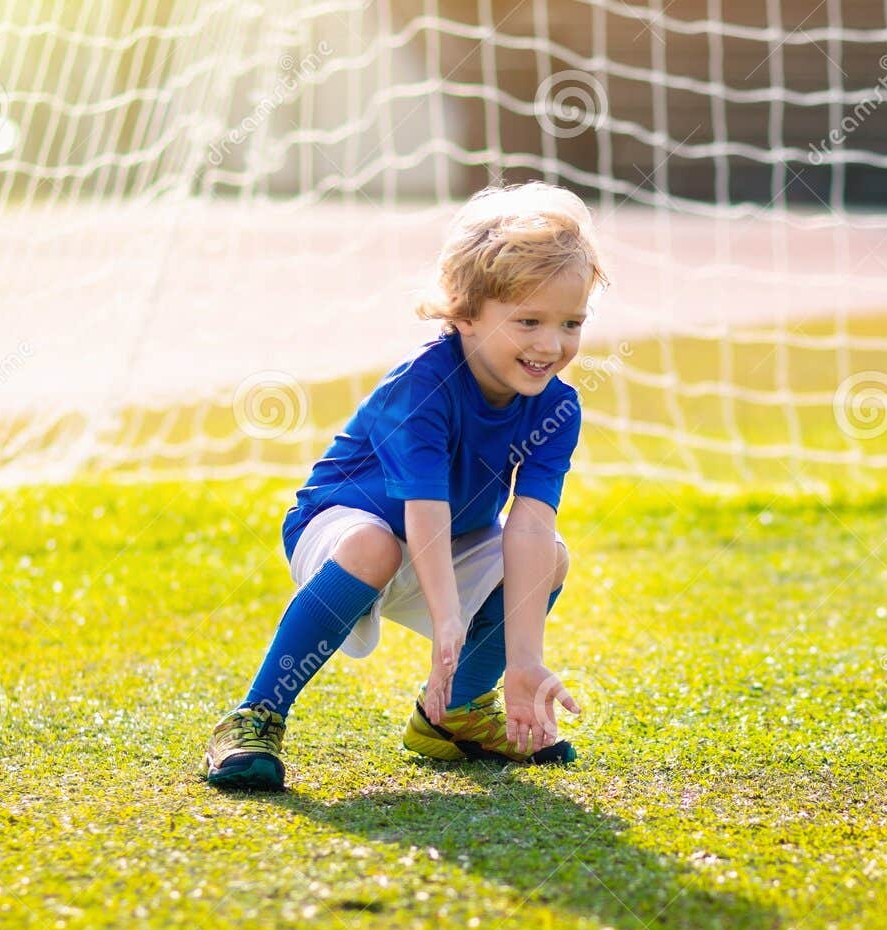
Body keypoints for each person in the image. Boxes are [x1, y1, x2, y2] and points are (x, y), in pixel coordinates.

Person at [204, 182, 606, 791]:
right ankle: (255, 717)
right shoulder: (425, 382)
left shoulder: (558, 408)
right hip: (345, 531)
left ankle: (453, 716)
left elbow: (528, 525)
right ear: (466, 313)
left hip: (450, 542)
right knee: (377, 546)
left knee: (549, 556)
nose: (551, 345)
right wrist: (447, 617)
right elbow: (424, 507)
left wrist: (526, 660)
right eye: (529, 320)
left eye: (570, 323)